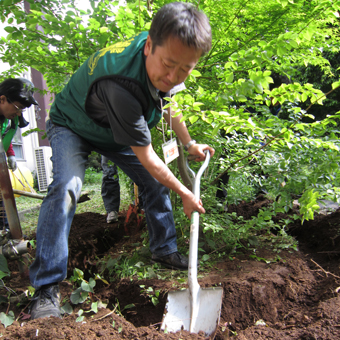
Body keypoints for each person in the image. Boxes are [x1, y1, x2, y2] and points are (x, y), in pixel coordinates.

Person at [29, 2, 214, 320]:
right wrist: (185, 192)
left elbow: (170, 103)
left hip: (111, 129)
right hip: (72, 124)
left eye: (184, 70)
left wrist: (189, 142)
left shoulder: (173, 48)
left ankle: (164, 249)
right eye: (168, 65)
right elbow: (149, 158)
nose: (173, 76)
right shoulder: (121, 84)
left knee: (155, 181)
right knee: (67, 188)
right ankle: (45, 290)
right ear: (148, 47)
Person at [0, 78, 38, 229]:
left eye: (22, 109)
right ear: (2, 99)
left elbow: (5, 136)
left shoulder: (10, 118)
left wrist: (10, 155)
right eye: (18, 107)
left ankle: (8, 233)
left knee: (3, 204)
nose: (19, 112)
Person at [101, 155, 120, 223]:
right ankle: (112, 211)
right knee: (109, 173)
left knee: (137, 170)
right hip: (107, 145)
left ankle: (142, 207)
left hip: (131, 145)